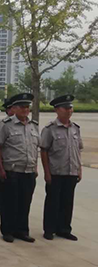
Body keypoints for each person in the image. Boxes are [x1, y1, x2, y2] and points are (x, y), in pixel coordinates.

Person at [0, 93, 39, 243]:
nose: (25, 110)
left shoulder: (33, 126)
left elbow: (35, 148)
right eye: (22, 107)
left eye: (27, 107)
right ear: (14, 108)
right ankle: (8, 231)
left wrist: (35, 167)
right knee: (10, 203)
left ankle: (22, 231)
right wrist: (0, 168)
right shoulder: (6, 125)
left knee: (25, 203)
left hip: (28, 170)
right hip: (12, 170)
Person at [40, 95, 83, 241]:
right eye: (65, 108)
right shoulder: (50, 129)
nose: (69, 111)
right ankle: (49, 229)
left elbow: (78, 150)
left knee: (67, 202)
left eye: (70, 108)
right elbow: (44, 150)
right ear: (57, 110)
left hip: (71, 171)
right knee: (53, 202)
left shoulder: (75, 128)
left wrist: (79, 169)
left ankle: (64, 229)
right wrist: (47, 172)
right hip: (56, 172)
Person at [0, 97, 15, 215]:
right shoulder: (2, 124)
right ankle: (0, 204)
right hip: (5, 160)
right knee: (3, 184)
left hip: (17, 163)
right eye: (11, 108)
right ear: (8, 110)